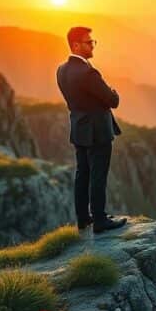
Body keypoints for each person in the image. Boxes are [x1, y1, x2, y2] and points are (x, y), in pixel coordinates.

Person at [56, 26, 127, 233]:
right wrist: (112, 90)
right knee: (98, 175)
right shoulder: (88, 72)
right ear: (76, 45)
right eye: (89, 42)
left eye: (92, 41)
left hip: (79, 129)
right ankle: (100, 219)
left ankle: (83, 218)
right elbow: (113, 100)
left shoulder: (62, 69)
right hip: (98, 132)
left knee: (82, 174)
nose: (92, 46)